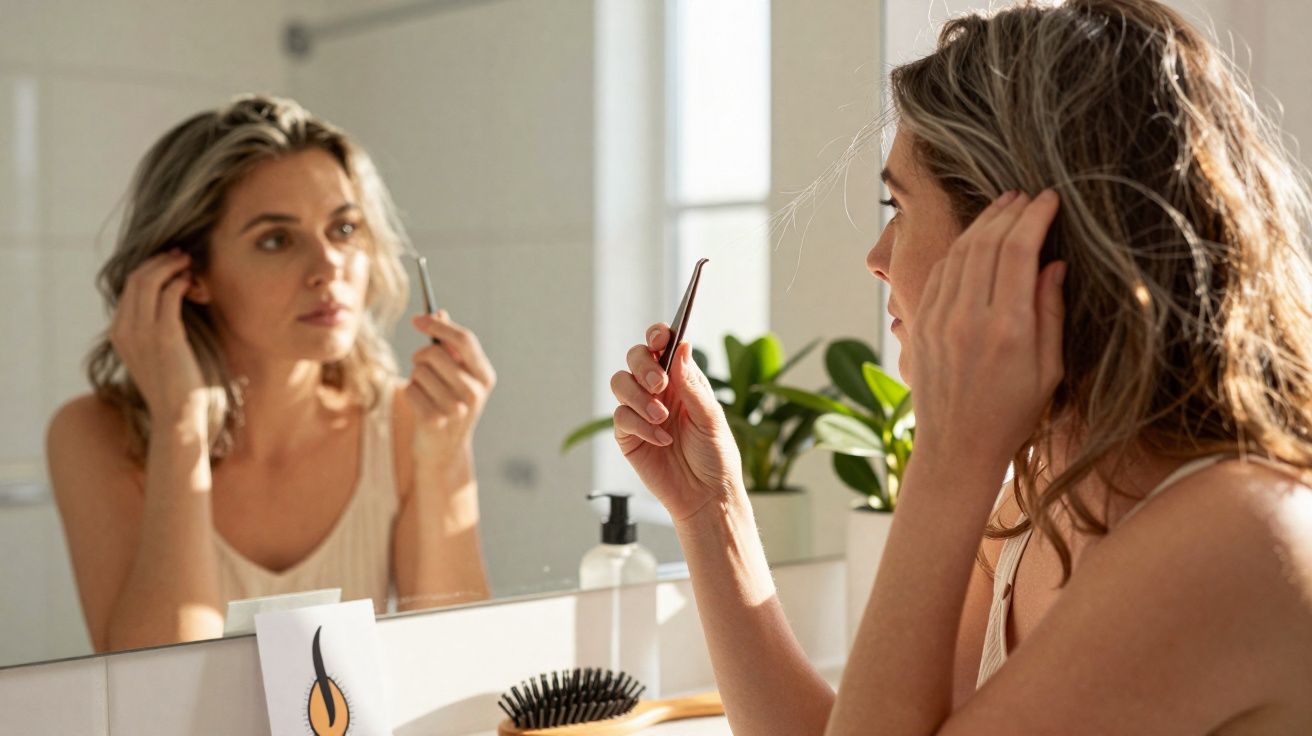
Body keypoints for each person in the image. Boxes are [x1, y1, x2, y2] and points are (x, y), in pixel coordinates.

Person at [610, 1, 1312, 732]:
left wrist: (950, 454)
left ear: (1021, 246)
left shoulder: (1232, 537)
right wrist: (710, 512)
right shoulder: (1034, 510)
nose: (877, 259)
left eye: (900, 206)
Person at [46, 95, 496, 653]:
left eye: (345, 228)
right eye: (276, 239)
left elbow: (455, 660)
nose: (329, 264)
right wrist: (180, 426)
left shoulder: (407, 422)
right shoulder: (95, 435)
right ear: (190, 274)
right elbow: (151, 694)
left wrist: (446, 456)